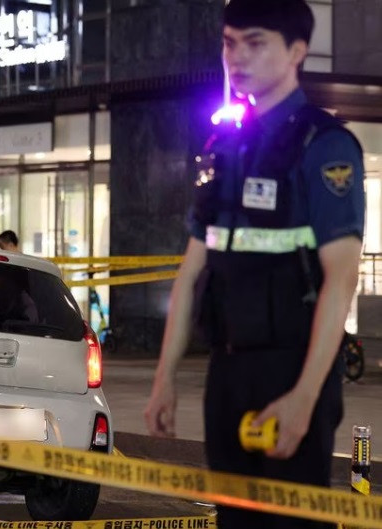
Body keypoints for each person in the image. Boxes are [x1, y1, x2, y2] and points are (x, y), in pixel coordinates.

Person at [143, 1, 365, 528]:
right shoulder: (226, 146)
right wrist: (164, 378)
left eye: (255, 42)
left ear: (296, 51)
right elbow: (192, 272)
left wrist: (305, 397)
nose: (237, 56)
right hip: (227, 371)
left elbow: (343, 278)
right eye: (229, 42)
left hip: (293, 368)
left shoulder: (325, 145)